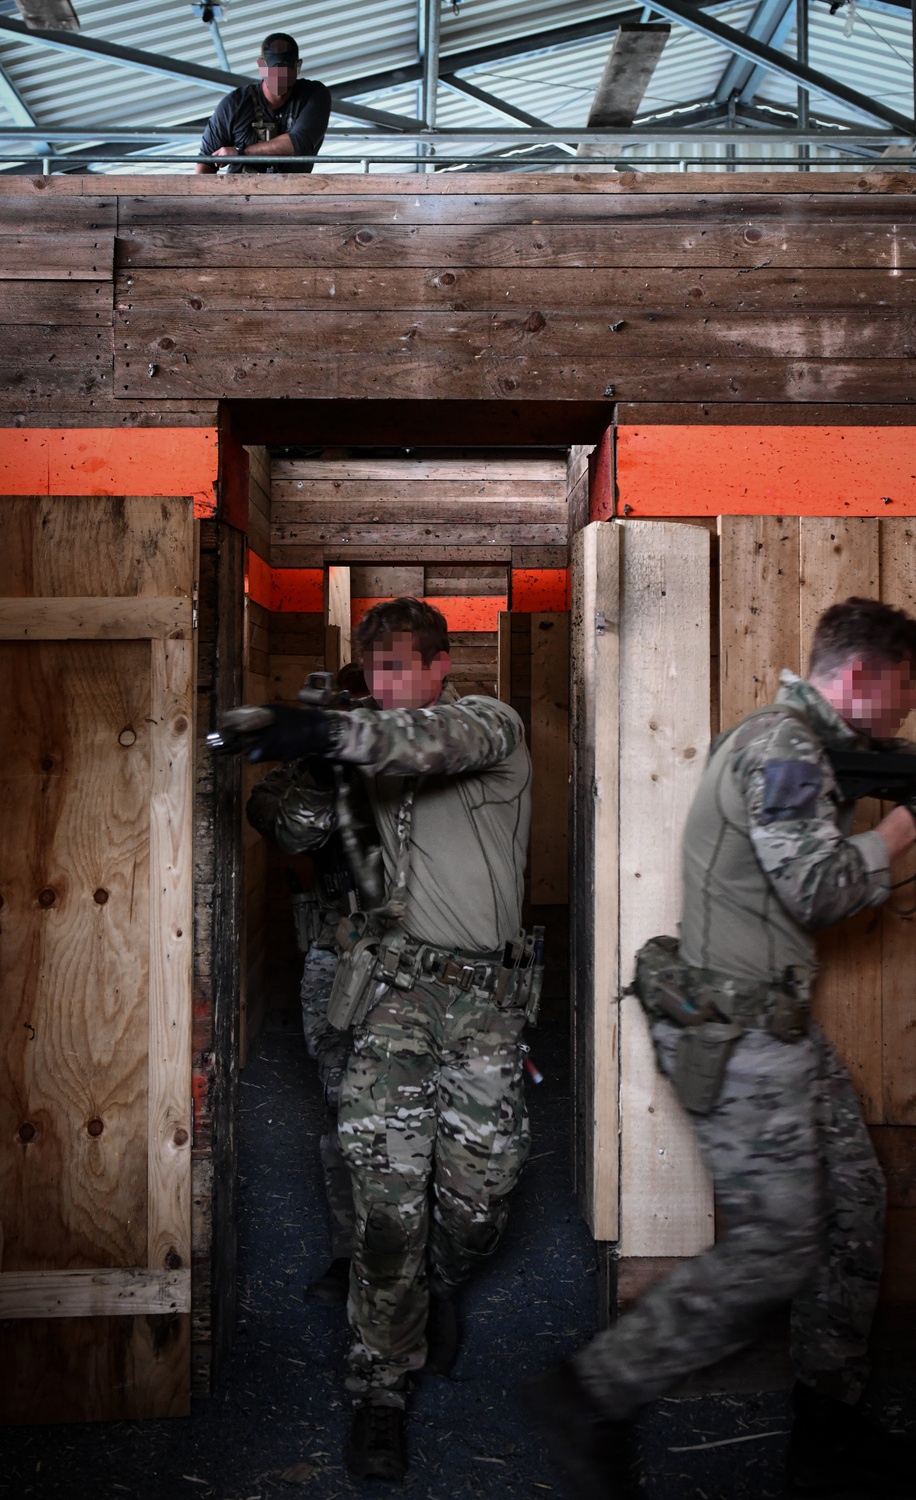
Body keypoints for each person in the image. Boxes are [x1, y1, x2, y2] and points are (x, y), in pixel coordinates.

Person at [528, 597, 916, 1500]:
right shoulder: (783, 746)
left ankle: (827, 1429)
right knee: (776, 1247)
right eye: (908, 685)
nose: (914, 703)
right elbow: (816, 887)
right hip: (737, 1038)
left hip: (778, 1026)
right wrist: (909, 823)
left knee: (852, 1206)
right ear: (862, 677)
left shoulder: (799, 739)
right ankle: (595, 1391)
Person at [216, 599, 533, 1484]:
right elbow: (288, 826)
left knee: (482, 1199)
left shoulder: (488, 724)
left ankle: (428, 1292)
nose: (387, 686)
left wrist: (327, 731)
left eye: (401, 668)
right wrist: (316, 751)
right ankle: (380, 1386)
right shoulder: (360, 747)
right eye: (375, 669)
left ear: (439, 665)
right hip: (391, 994)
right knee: (387, 1208)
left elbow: (429, 744)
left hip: (485, 1006)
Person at [245, 664, 379, 1305]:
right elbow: (283, 823)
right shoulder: (306, 770)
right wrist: (327, 770)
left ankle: (420, 1267)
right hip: (339, 948)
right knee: (343, 1108)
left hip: (421, 946)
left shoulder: (415, 752)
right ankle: (352, 1254)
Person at [195, 32, 331, 174]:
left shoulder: (313, 95)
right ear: (261, 66)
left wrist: (241, 153)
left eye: (285, 71)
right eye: (273, 71)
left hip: (292, 192)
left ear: (298, 66)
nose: (279, 77)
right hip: (241, 192)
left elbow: (299, 142)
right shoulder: (234, 105)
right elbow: (206, 161)